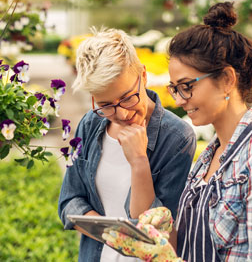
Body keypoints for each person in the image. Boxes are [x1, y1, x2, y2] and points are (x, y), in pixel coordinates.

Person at [102, 2, 252, 261]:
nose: (178, 100)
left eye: (187, 86)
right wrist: (164, 233)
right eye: (175, 88)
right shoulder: (208, 157)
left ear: (227, 80)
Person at [57, 27, 196, 262]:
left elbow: (158, 234)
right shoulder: (90, 124)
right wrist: (115, 238)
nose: (121, 113)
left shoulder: (177, 138)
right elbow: (69, 201)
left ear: (143, 75)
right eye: (106, 104)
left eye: (127, 97)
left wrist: (139, 161)